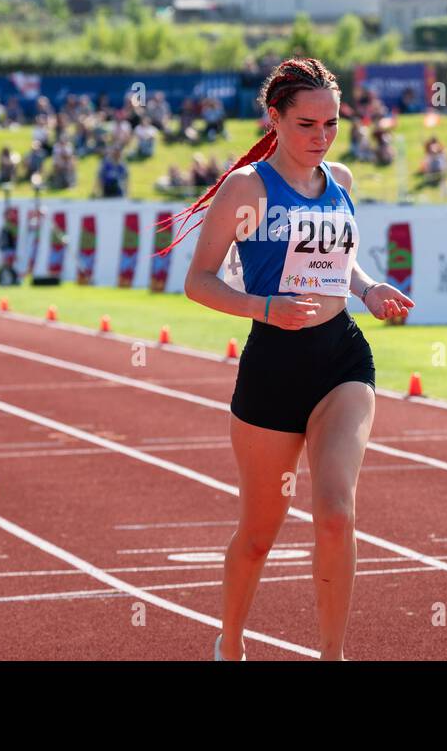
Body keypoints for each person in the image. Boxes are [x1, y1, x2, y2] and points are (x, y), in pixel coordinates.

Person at [152, 56, 413, 662]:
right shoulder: (247, 188)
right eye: (306, 125)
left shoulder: (340, 179)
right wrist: (264, 307)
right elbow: (199, 281)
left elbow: (339, 263)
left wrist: (369, 289)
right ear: (274, 118)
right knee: (259, 534)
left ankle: (332, 655)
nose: (321, 138)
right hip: (272, 369)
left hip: (340, 359)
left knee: (335, 513)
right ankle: (233, 642)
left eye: (332, 124)